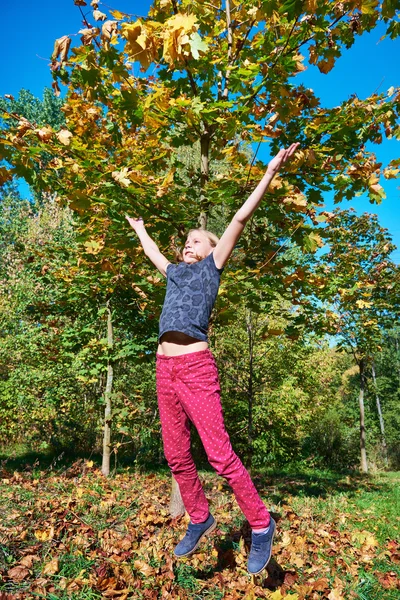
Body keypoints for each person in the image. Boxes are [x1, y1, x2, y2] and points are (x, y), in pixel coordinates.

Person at [126, 143, 299, 575]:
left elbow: (240, 218)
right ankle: (200, 516)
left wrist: (270, 171)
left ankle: (261, 524)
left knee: (219, 455)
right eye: (185, 242)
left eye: (196, 241)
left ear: (211, 248)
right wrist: (141, 229)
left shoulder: (212, 268)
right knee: (176, 455)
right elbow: (152, 254)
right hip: (164, 368)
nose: (188, 245)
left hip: (196, 369)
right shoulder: (175, 272)